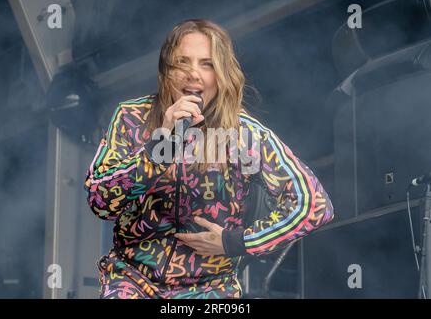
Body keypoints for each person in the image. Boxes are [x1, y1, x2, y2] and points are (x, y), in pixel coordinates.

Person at [83, 19, 334, 299]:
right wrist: (159, 146)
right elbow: (100, 202)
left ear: (223, 73)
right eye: (182, 62)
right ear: (166, 70)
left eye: (207, 64)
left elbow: (313, 204)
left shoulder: (243, 134)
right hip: (132, 280)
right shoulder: (132, 117)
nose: (193, 74)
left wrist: (237, 241)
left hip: (210, 288)